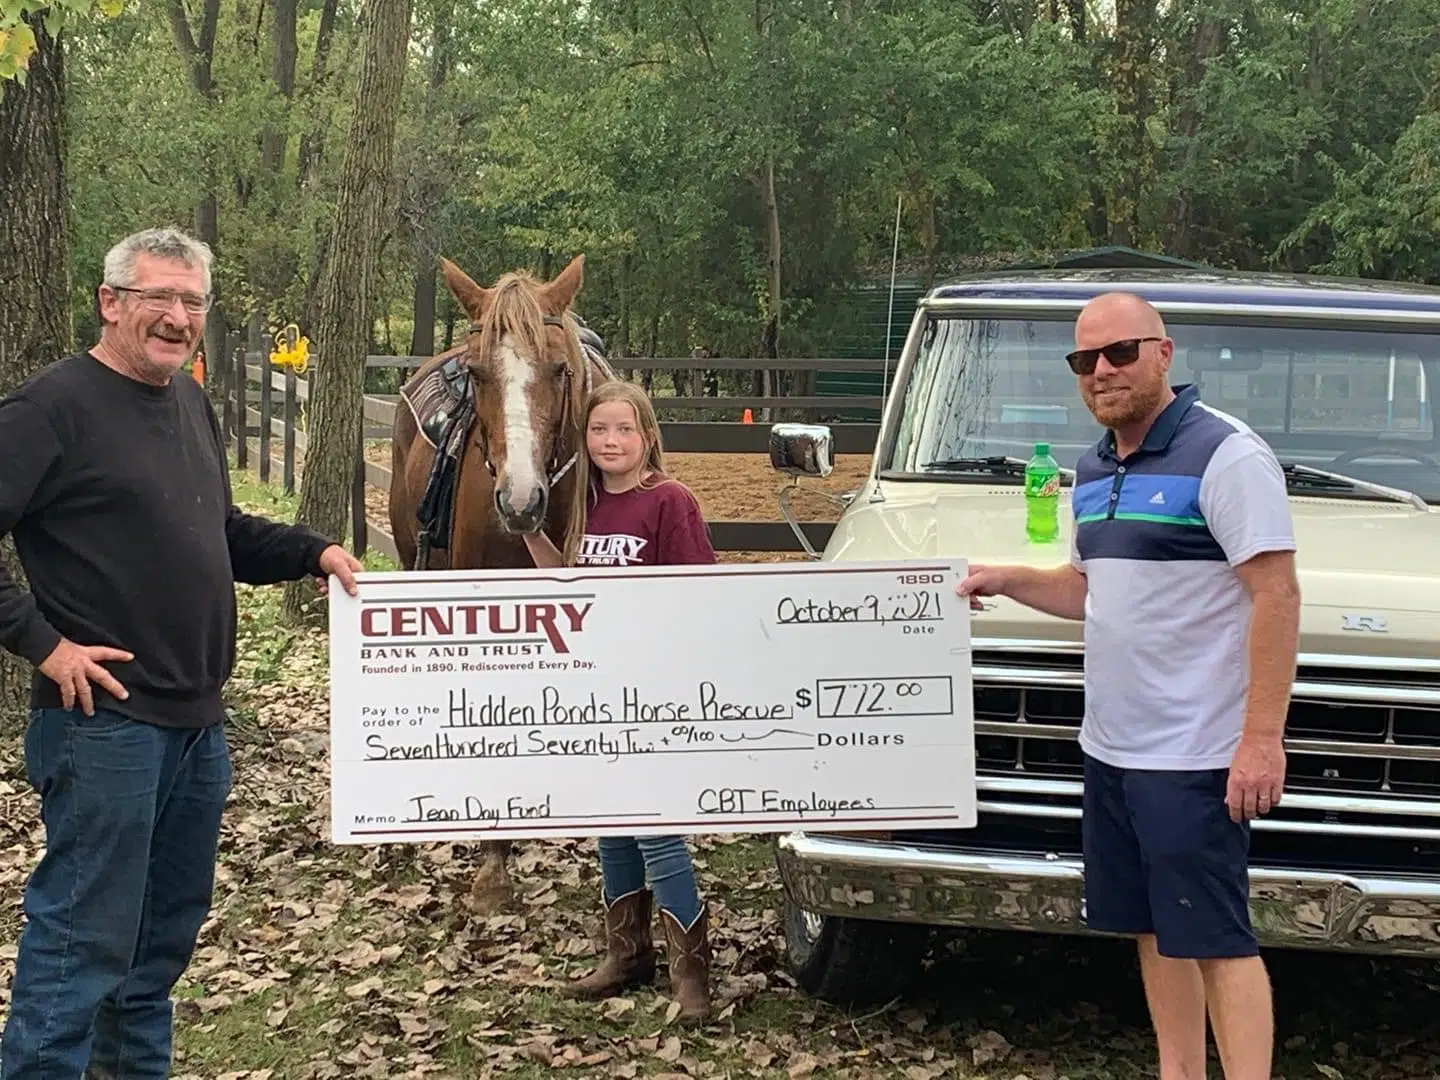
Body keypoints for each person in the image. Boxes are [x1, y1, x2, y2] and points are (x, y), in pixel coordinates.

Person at [0, 226, 364, 1080]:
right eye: (158, 296)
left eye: (193, 301)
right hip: (103, 726)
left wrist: (311, 551)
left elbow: (218, 532)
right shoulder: (49, 409)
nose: (177, 316)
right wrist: (45, 645)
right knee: (82, 942)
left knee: (156, 950)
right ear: (109, 302)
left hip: (198, 725)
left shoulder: (188, 402)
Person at [957, 292, 1300, 1080]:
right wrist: (1007, 578)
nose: (1103, 371)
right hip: (1112, 750)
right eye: (1086, 359)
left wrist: (1260, 739)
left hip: (1195, 754)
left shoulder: (1227, 456)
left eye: (1121, 352)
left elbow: (1277, 596)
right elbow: (1091, 590)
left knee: (1216, 938)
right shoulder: (1092, 468)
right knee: (1154, 926)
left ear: (1164, 353)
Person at [522, 379, 717, 1021]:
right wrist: (530, 533)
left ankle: (692, 972)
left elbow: (701, 594)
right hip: (598, 689)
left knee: (655, 826)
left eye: (624, 429)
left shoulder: (669, 501)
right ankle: (627, 954)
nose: (611, 441)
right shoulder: (581, 506)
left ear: (647, 436)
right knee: (611, 824)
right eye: (599, 429)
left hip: (655, 691)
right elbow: (566, 585)